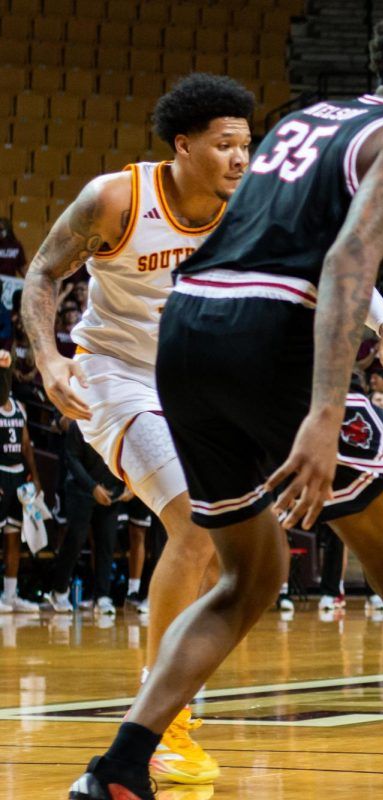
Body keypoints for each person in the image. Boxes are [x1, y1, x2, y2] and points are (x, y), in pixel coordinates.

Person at [66, 7, 383, 800]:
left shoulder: (306, 118)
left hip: (188, 326)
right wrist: (321, 411)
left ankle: (119, 769)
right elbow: (348, 256)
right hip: (272, 336)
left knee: (249, 574)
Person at [24, 74, 263, 786]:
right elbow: (42, 274)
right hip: (113, 377)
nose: (241, 159)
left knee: (223, 545)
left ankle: (164, 706)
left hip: (195, 383)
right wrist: (48, 358)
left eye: (247, 145)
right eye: (225, 145)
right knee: (193, 524)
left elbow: (326, 260)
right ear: (184, 145)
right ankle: (165, 725)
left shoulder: (247, 207)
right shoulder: (117, 198)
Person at [48, 419, 127, 615]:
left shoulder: (118, 422)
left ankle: (102, 596)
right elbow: (72, 459)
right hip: (80, 490)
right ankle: (59, 591)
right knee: (75, 540)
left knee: (107, 544)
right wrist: (93, 488)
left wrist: (129, 484)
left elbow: (128, 454)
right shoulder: (78, 424)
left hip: (111, 491)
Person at [0, 352, 40, 613]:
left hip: (16, 476)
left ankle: (10, 597)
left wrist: (35, 476)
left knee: (13, 537)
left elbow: (25, 445)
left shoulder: (19, 407)